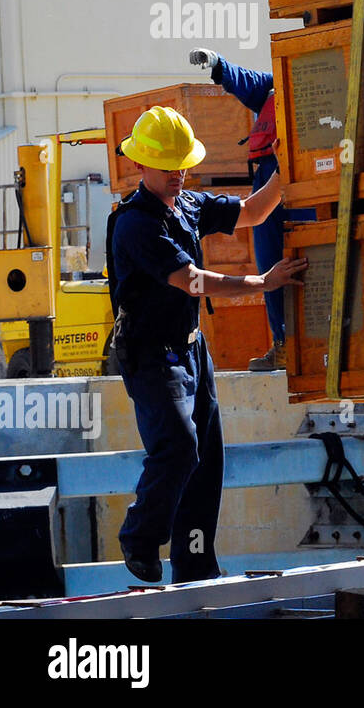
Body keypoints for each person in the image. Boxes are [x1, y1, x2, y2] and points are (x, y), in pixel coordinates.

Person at [107, 106, 307, 583]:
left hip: (192, 349)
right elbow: (191, 281)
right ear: (140, 166)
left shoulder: (189, 204)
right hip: (152, 357)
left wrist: (287, 164)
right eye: (167, 168)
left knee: (205, 460)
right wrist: (262, 282)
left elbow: (255, 211)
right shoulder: (136, 224)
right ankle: (139, 537)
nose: (178, 176)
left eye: (181, 166)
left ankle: (196, 568)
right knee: (177, 447)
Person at [188, 47, 309, 371]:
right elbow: (246, 80)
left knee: (311, 262)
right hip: (270, 181)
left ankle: (316, 346)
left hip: (310, 183)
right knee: (271, 264)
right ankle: (283, 344)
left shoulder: (329, 85)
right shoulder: (273, 87)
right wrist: (217, 64)